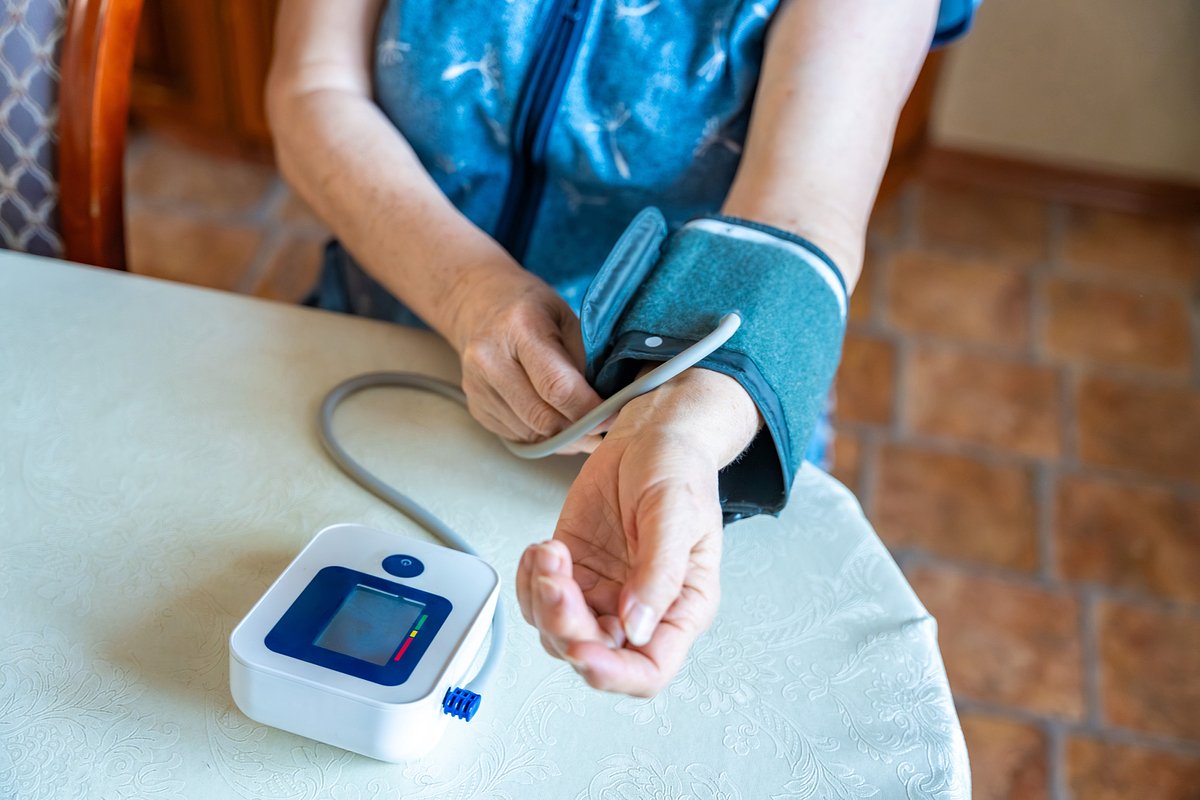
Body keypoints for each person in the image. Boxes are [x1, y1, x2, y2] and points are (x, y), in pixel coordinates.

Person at [267, 0, 977, 698]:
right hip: (378, 354)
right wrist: (462, 291)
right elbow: (314, 88)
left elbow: (803, 214)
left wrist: (680, 434)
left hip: (684, 414)